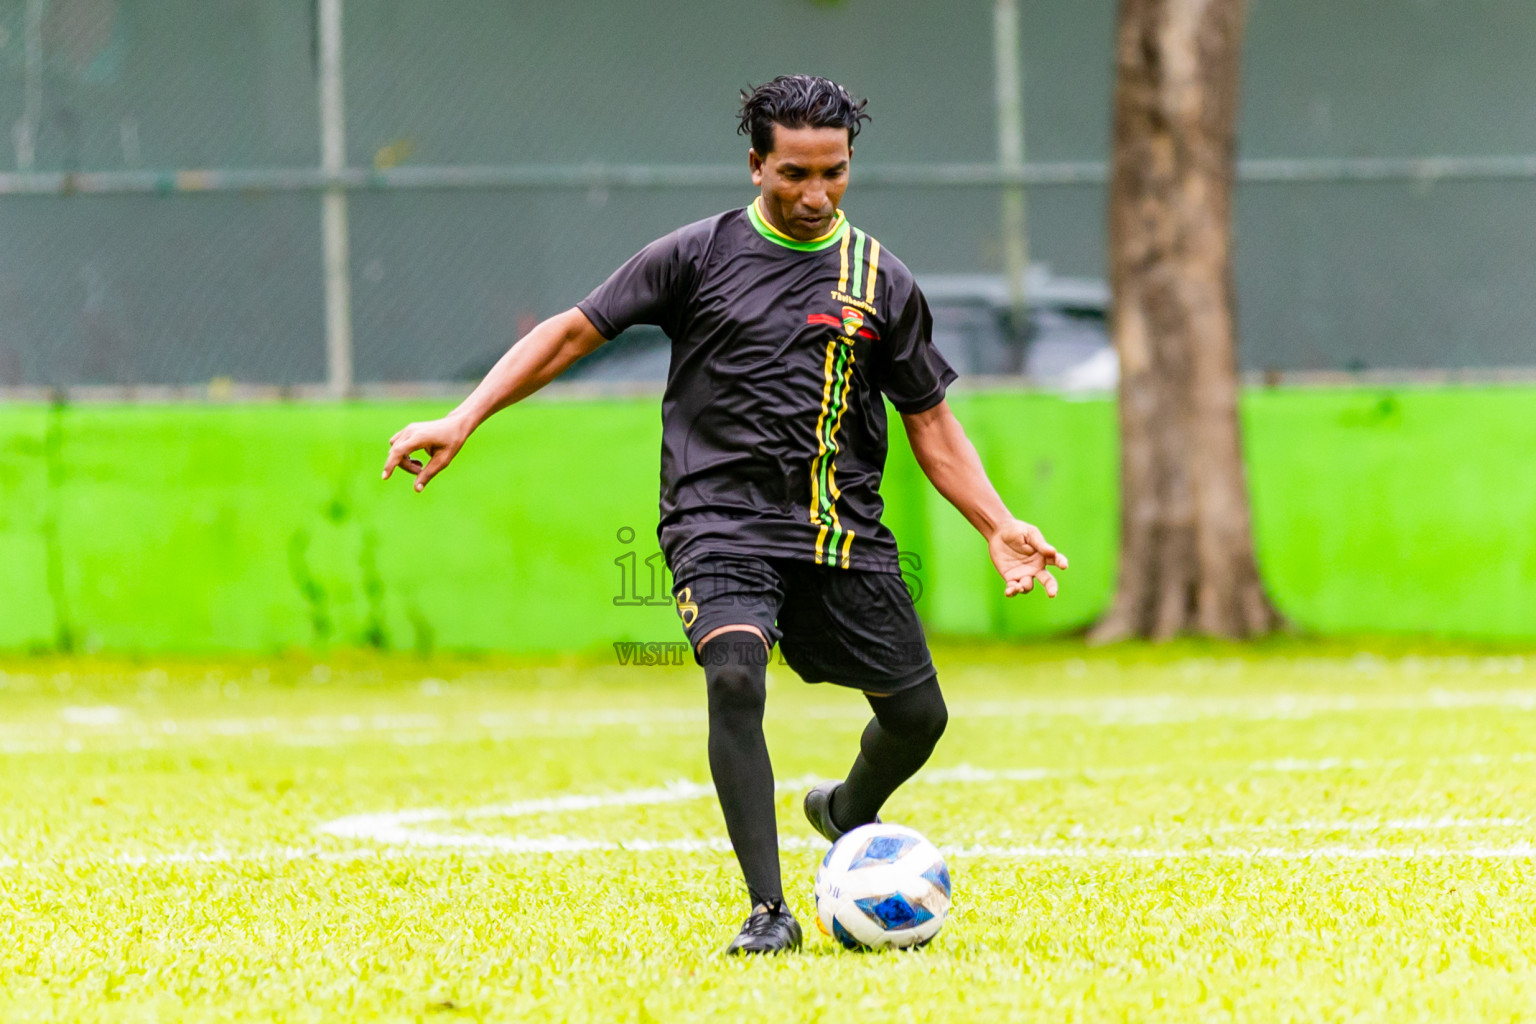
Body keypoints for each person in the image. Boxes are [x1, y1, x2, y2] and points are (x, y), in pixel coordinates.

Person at [381, 74, 1067, 955]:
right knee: (735, 678)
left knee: (918, 719)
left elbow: (929, 422)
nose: (816, 195)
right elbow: (569, 333)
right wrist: (463, 416)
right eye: (794, 174)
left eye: (834, 173)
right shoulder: (694, 256)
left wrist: (995, 522)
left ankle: (847, 809)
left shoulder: (881, 281)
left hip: (838, 529)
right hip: (717, 520)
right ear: (755, 166)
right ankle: (769, 910)